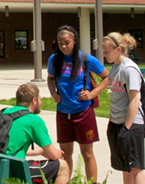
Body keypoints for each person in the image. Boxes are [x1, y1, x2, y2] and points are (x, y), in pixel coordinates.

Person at [46, 26, 109, 182]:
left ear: (75, 41)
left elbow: (108, 77)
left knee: (87, 154)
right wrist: (53, 93)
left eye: (67, 42)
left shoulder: (86, 59)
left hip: (83, 112)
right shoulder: (54, 59)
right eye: (60, 43)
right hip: (63, 113)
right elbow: (50, 78)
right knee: (65, 153)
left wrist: (92, 94)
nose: (64, 46)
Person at [102, 32, 145, 184]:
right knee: (125, 167)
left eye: (107, 51)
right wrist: (111, 122)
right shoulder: (114, 68)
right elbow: (115, 98)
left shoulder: (129, 69)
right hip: (117, 123)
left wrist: (127, 127)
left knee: (135, 168)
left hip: (131, 125)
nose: (104, 55)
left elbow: (134, 100)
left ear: (118, 49)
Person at [4, 83, 72, 184]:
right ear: (34, 101)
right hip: (12, 173)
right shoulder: (34, 120)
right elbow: (53, 155)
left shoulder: (5, 113)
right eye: (39, 99)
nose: (40, 102)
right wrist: (59, 154)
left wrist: (40, 151)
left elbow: (9, 148)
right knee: (62, 166)